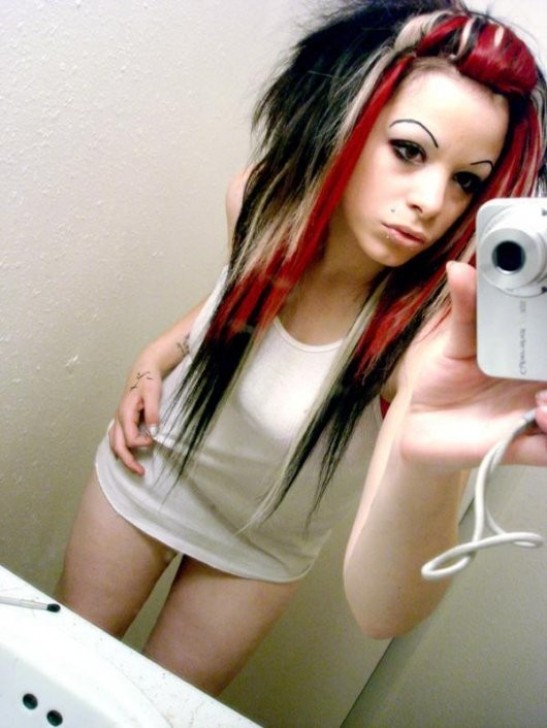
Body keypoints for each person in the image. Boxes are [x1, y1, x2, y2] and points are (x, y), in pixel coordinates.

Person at [57, 0, 547, 696]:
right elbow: (230, 303)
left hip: (256, 550)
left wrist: (431, 468)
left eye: (466, 180)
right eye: (409, 151)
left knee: (152, 712)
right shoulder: (259, 198)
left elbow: (386, 609)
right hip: (150, 469)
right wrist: (152, 361)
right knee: (60, 673)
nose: (432, 201)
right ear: (349, 122)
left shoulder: (424, 337)